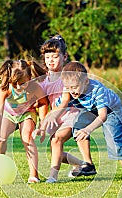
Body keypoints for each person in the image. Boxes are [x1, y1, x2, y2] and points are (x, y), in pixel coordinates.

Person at [51, 61, 122, 182]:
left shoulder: (97, 90)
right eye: (68, 87)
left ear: (86, 82)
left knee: (115, 142)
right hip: (91, 110)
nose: (71, 91)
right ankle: (88, 164)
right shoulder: (69, 90)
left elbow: (102, 116)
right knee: (78, 127)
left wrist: (88, 129)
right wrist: (45, 123)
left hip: (111, 111)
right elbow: (59, 107)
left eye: (74, 87)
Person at [33, 35, 96, 183]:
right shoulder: (45, 79)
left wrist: (53, 116)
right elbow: (42, 102)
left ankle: (52, 177)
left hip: (70, 114)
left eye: (55, 56)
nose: (50, 60)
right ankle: (83, 165)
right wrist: (42, 124)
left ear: (64, 56)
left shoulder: (67, 76)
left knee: (56, 140)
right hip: (56, 116)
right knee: (54, 150)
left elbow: (66, 100)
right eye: (47, 57)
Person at [0, 59, 48, 183]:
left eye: (22, 83)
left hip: (27, 113)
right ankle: (0, 169)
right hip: (9, 114)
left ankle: (34, 175)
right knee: (1, 139)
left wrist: (42, 126)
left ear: (29, 78)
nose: (18, 86)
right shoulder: (5, 88)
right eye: (14, 83)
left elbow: (44, 103)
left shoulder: (35, 88)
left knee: (27, 138)